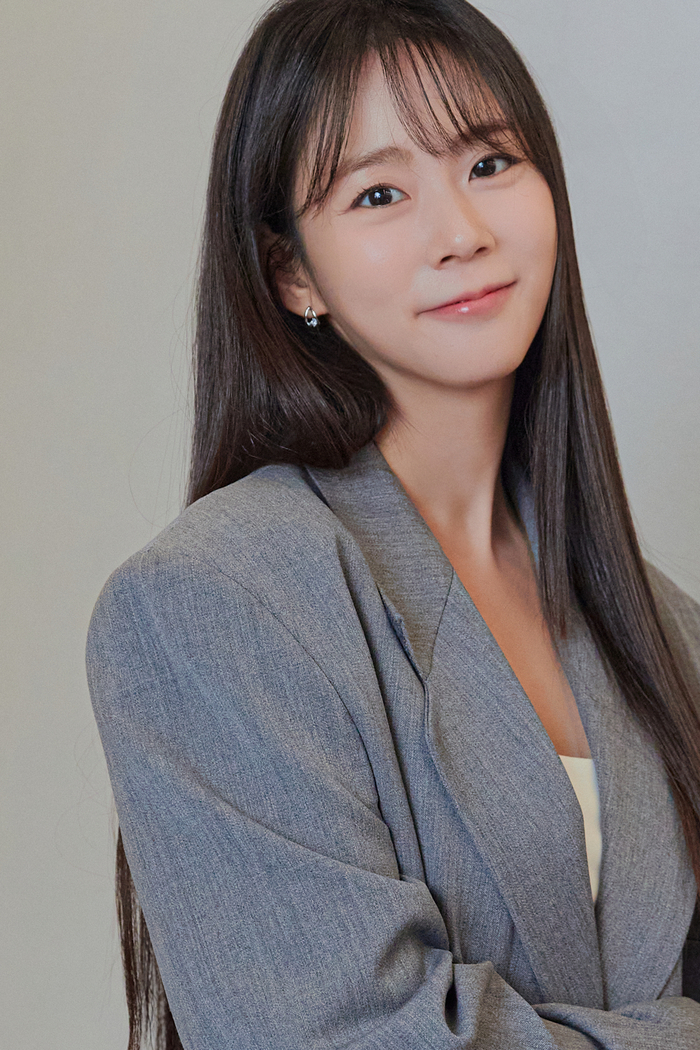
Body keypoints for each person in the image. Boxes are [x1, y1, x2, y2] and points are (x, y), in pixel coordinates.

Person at [86, 0, 700, 1047]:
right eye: (378, 193)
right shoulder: (210, 603)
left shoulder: (662, 624)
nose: (460, 233)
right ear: (292, 273)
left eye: (489, 163)